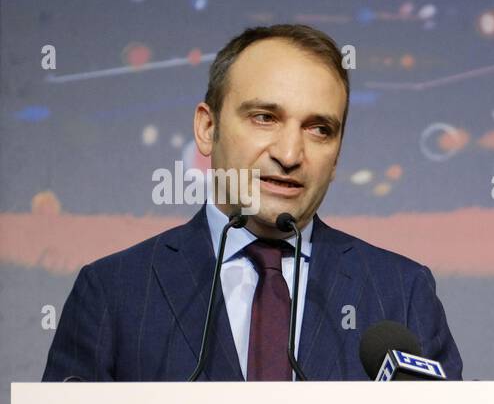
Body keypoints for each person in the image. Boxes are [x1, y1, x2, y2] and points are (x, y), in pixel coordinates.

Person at [42, 24, 462, 382]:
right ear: (207, 129)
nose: (291, 153)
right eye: (265, 117)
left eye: (319, 129)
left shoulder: (401, 293)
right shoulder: (113, 292)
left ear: (337, 154)